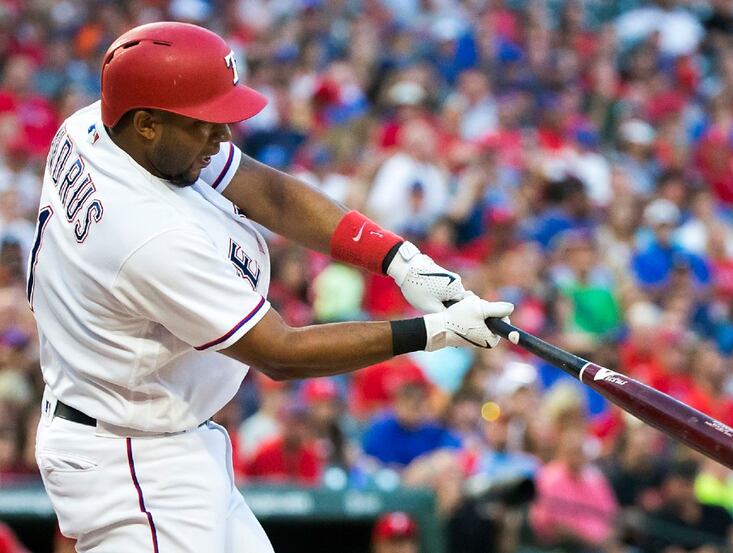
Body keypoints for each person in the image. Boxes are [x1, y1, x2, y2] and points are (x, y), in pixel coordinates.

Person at [29, 22, 513, 553]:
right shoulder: (145, 236)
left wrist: (399, 260)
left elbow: (269, 193)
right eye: (205, 123)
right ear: (147, 123)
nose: (222, 135)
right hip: (134, 462)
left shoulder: (97, 127)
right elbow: (280, 353)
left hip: (154, 436)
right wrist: (433, 333)